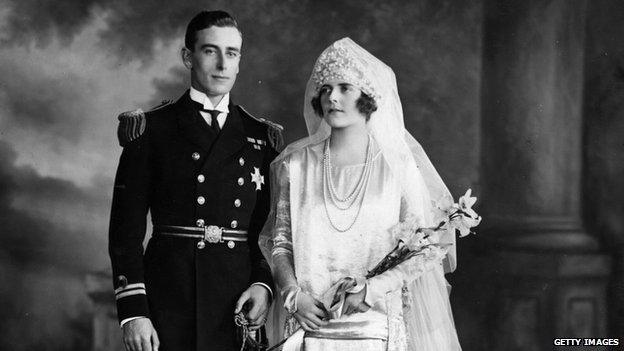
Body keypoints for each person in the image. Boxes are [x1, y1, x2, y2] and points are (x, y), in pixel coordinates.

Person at [259, 38, 461, 350]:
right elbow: (280, 243)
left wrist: (371, 290)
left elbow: (425, 250)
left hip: (375, 329)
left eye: (344, 88)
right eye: (326, 89)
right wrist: (292, 295)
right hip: (310, 327)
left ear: (367, 96)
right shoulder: (295, 165)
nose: (332, 98)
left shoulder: (398, 167)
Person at [109, 10, 282, 351]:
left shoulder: (261, 137)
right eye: (209, 51)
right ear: (188, 57)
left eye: (231, 53)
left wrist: (263, 284)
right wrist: (133, 313)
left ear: (239, 61)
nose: (221, 64)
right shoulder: (151, 130)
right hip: (168, 302)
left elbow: (269, 230)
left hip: (237, 303)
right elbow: (124, 233)